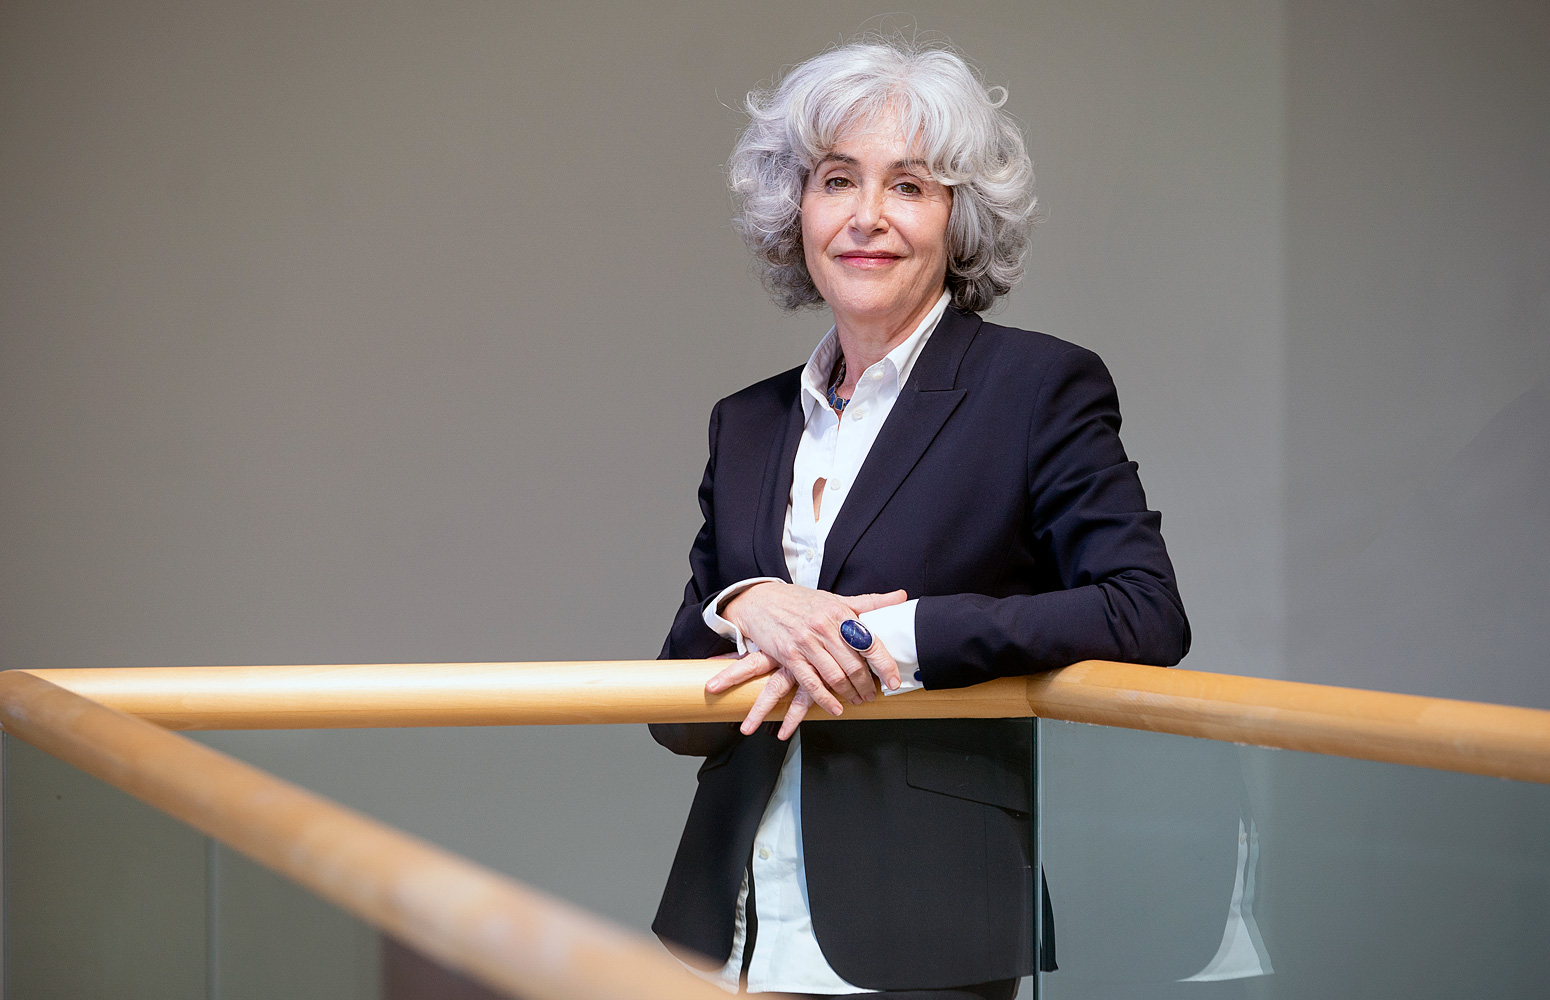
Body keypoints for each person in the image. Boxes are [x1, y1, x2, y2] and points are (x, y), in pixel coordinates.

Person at [650, 38, 1189, 999]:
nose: (866, 216)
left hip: (927, 926)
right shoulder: (748, 422)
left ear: (958, 218)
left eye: (908, 186)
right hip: (728, 928)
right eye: (836, 180)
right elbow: (673, 717)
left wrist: (889, 639)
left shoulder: (1037, 387)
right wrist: (746, 602)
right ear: (796, 210)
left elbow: (1144, 613)